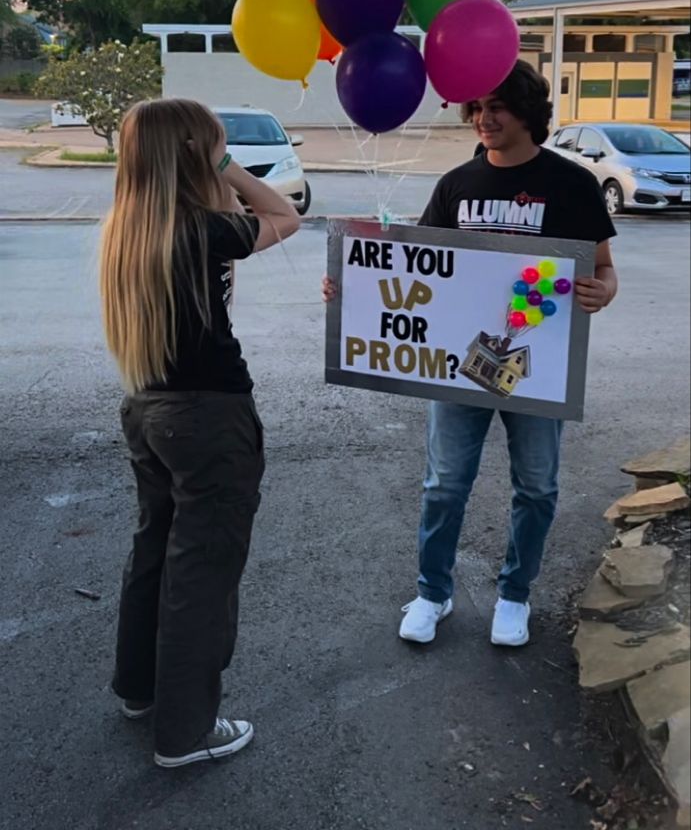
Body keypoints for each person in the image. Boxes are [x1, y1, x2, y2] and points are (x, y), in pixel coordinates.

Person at [324, 61, 617, 649]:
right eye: (476, 107)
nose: (484, 118)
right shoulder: (456, 184)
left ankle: (515, 596)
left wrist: (600, 291)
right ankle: (433, 592)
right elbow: (418, 269)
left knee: (536, 487)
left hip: (539, 369)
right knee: (444, 486)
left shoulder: (572, 184)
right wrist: (351, 285)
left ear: (528, 111)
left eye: (497, 106)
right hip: (458, 368)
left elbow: (604, 272)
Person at [100, 98, 300, 768]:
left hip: (148, 409)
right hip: (209, 417)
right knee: (203, 575)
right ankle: (185, 732)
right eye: (212, 146)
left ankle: (139, 688)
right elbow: (285, 215)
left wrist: (206, 160)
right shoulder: (202, 229)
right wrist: (229, 166)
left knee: (155, 551)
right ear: (194, 154)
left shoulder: (127, 228)